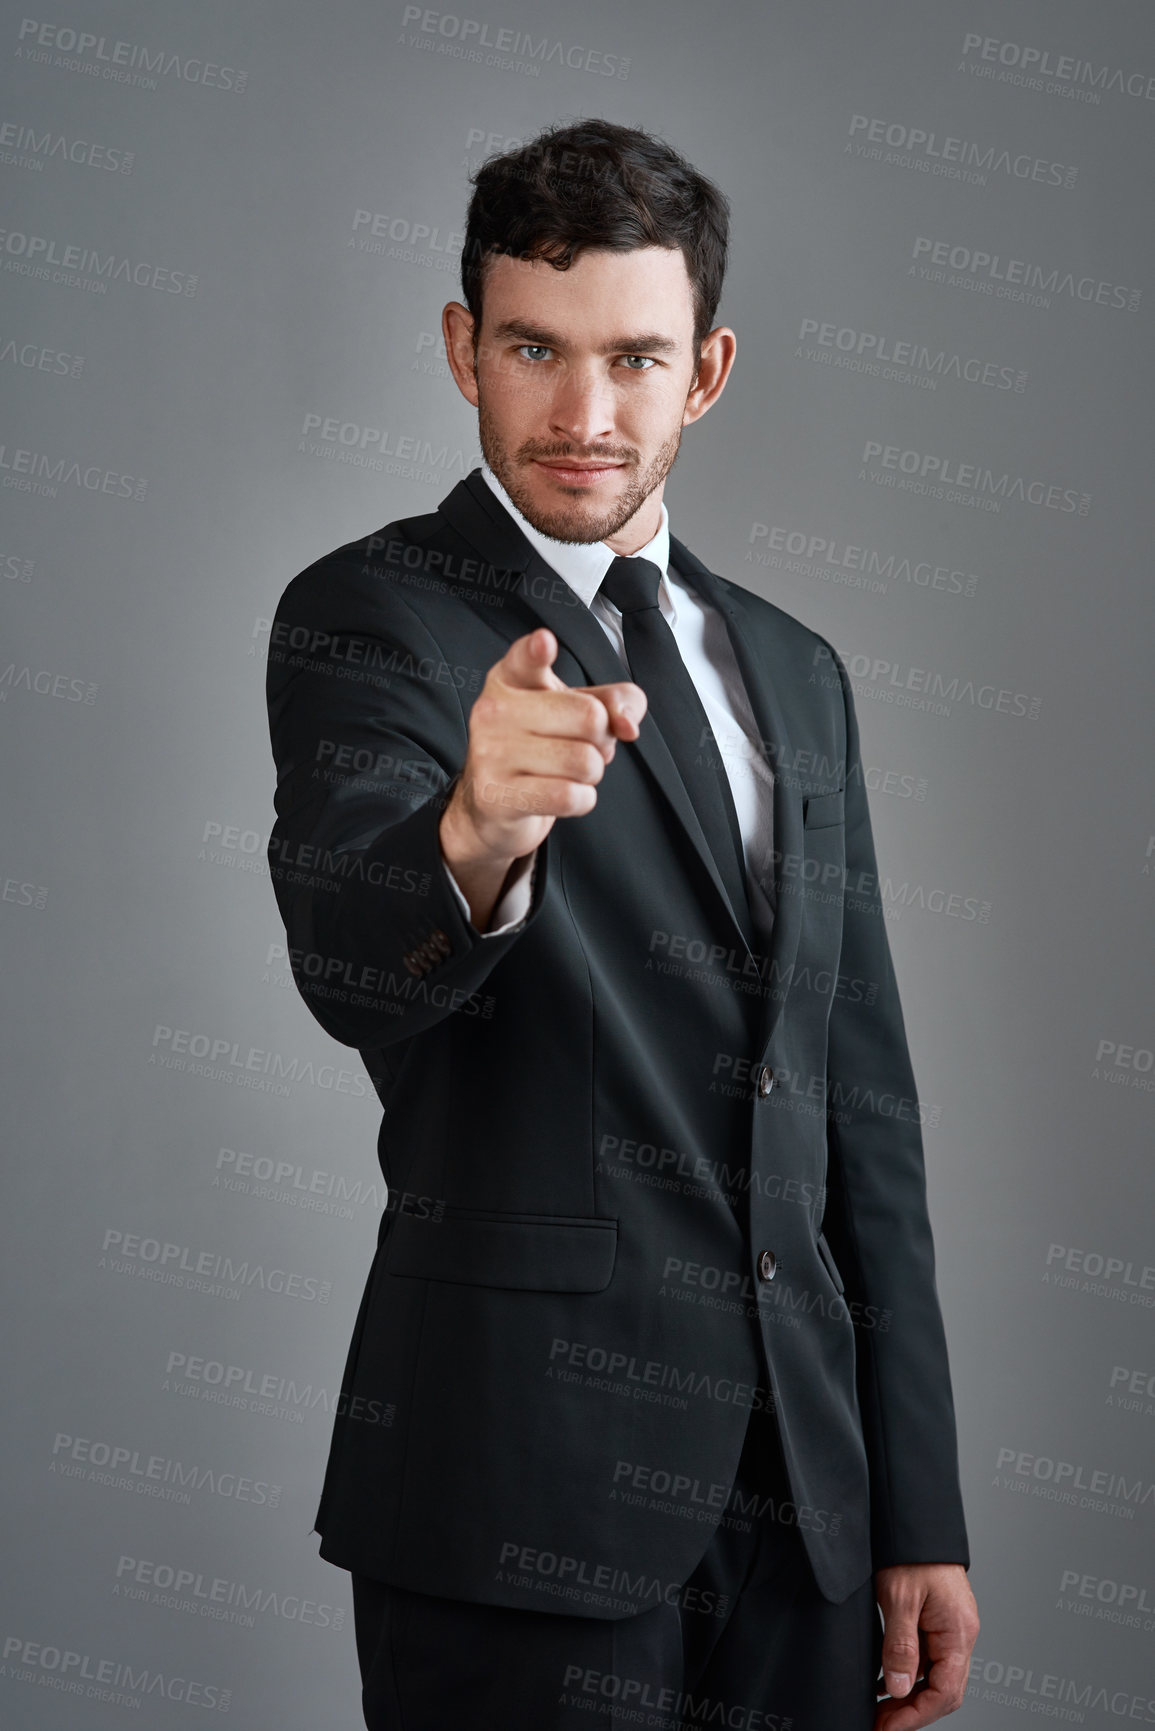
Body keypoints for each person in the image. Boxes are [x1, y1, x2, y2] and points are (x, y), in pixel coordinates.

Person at [264, 117, 978, 1730]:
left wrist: (914, 1504)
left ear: (706, 371)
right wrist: (473, 833)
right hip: (518, 1478)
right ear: (465, 347)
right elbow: (348, 954)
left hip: (805, 1509)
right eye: (535, 348)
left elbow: (865, 1110)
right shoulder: (369, 616)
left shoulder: (797, 672)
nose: (586, 416)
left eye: (636, 359)